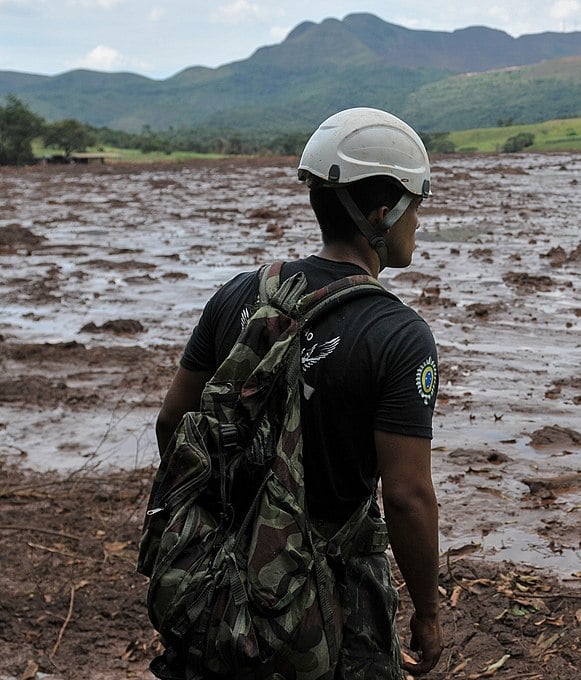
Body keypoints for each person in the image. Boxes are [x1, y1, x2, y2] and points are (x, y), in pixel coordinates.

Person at [153, 107, 443, 678]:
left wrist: (224, 519)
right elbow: (408, 497)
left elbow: (172, 424)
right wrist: (428, 613)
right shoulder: (399, 335)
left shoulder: (239, 294)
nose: (419, 224)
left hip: (219, 576)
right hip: (325, 595)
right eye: (417, 208)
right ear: (382, 216)